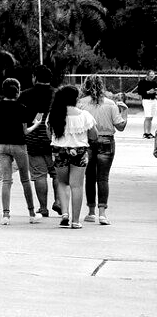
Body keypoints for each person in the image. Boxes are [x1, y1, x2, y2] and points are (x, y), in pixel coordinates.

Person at [77, 75, 127, 225]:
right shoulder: (111, 104)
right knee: (103, 178)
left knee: (90, 177)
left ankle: (91, 212)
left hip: (87, 141)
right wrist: (124, 111)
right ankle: (103, 213)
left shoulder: (80, 104)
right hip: (106, 141)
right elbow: (121, 126)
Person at [48, 84, 100, 229]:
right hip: (79, 151)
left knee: (62, 182)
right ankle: (76, 221)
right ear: (76, 98)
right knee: (76, 186)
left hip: (59, 151)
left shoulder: (54, 113)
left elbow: (49, 134)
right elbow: (94, 135)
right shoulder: (84, 115)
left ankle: (65, 214)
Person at [0, 77, 40, 224]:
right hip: (19, 145)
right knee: (25, 180)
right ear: (17, 92)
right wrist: (36, 124)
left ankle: (5, 215)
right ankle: (31, 213)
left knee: (6, 180)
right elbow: (25, 131)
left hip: (3, 145)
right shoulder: (22, 108)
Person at [21, 66, 59, 218]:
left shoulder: (25, 94)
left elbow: (20, 116)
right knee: (57, 175)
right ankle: (58, 201)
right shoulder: (57, 94)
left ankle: (43, 208)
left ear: (35, 77)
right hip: (55, 139)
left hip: (33, 139)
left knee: (39, 176)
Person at [136, 69, 157, 139]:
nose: (152, 77)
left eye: (153, 76)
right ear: (147, 75)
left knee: (151, 117)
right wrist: (148, 92)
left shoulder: (154, 82)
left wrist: (155, 92)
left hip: (153, 100)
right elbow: (140, 92)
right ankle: (145, 133)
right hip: (146, 100)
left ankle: (149, 132)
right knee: (147, 117)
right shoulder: (142, 82)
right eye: (151, 76)